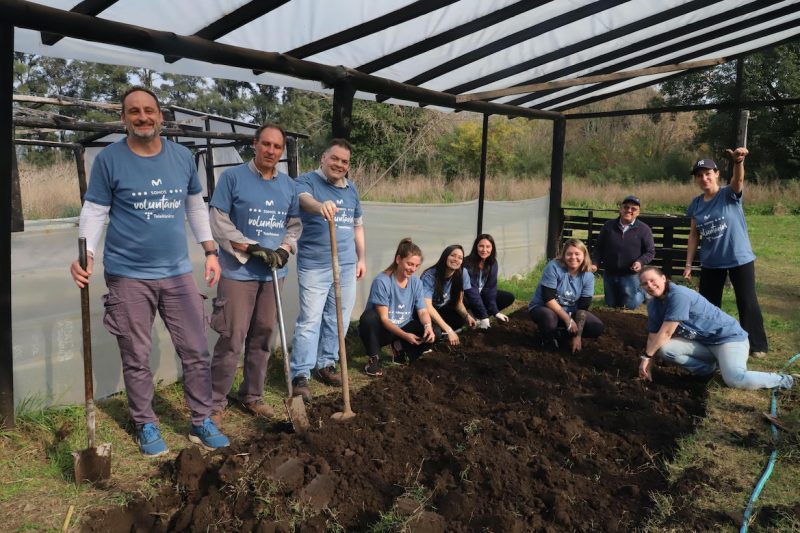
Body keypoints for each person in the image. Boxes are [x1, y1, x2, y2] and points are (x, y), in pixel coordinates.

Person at [69, 86, 229, 456]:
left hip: (176, 273)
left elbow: (193, 205)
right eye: (134, 111)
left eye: (149, 110)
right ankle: (145, 423)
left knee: (195, 348)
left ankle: (201, 419)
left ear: (160, 116)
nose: (142, 117)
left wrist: (209, 250)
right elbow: (95, 211)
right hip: (127, 275)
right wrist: (87, 253)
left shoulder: (182, 157)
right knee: (136, 354)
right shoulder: (109, 159)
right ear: (124, 118)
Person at [208, 124, 301, 426]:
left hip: (274, 273)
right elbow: (218, 220)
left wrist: (285, 248)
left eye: (277, 146)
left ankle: (252, 396)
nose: (271, 151)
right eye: (266, 144)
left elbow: (294, 225)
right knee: (232, 337)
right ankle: (215, 401)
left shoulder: (288, 186)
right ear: (255, 144)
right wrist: (250, 247)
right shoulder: (233, 177)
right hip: (239, 272)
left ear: (281, 151)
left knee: (263, 335)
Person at [289, 139, 366, 401]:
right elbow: (303, 200)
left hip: (345, 265)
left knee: (338, 318)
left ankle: (326, 363)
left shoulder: (351, 189)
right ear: (324, 158)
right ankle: (300, 374)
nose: (339, 165)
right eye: (335, 159)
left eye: (344, 161)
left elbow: (357, 226)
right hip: (315, 265)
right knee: (310, 320)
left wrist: (361, 258)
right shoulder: (307, 181)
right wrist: (319, 206)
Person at [638, 267, 794, 389]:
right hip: (704, 344)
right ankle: (707, 370)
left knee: (735, 380)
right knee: (666, 349)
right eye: (645, 283)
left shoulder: (679, 295)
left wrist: (645, 358)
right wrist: (648, 367)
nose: (650, 286)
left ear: (664, 278)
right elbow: (654, 336)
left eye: (652, 280)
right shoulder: (654, 305)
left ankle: (786, 380)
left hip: (728, 340)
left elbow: (666, 332)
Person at [683, 148, 768, 358]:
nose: (704, 178)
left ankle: (757, 345)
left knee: (747, 301)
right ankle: (713, 340)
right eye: (699, 175)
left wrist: (738, 162)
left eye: (708, 174)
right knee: (708, 305)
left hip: (739, 258)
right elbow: (694, 236)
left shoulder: (728, 194)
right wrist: (688, 264)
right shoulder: (695, 204)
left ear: (716, 174)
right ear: (696, 180)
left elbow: (738, 181)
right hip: (711, 262)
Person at [358, 238, 436, 377]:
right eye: (410, 264)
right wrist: (406, 336)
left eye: (416, 266)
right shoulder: (382, 281)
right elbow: (384, 319)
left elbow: (423, 311)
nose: (413, 269)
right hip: (384, 330)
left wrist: (427, 326)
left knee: (435, 331)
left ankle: (401, 349)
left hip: (403, 325)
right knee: (369, 318)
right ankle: (373, 359)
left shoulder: (416, 282)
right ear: (398, 259)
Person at [528, 238, 604, 353]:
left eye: (577, 254)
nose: (573, 257)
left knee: (596, 327)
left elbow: (583, 307)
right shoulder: (553, 267)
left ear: (584, 255)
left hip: (570, 312)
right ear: (563, 255)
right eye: (569, 254)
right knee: (549, 319)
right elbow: (548, 298)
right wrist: (568, 320)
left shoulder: (588, 276)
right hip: (545, 308)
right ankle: (546, 339)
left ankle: (559, 336)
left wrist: (577, 336)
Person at [590, 195, 654, 309]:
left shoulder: (644, 229)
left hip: (630, 274)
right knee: (611, 304)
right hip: (610, 273)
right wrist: (595, 263)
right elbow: (598, 247)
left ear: (638, 212)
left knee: (629, 305)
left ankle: (644, 293)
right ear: (621, 209)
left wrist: (640, 262)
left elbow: (650, 252)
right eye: (626, 207)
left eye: (633, 209)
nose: (629, 210)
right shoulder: (608, 226)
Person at [421, 244, 477, 346]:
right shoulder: (430, 276)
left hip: (443, 309)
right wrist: (449, 330)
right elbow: (427, 307)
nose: (456, 259)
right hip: (425, 313)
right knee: (435, 334)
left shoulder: (462, 273)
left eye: (460, 258)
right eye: (453, 255)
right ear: (445, 256)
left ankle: (443, 333)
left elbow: (458, 302)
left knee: (466, 318)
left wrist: (466, 316)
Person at [463, 234, 515, 328]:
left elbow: (490, 289)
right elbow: (471, 291)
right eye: (481, 246)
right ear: (476, 247)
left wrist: (496, 312)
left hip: (479, 295)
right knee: (467, 300)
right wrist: (484, 316)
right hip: (466, 297)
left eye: (488, 246)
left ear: (492, 248)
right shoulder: (467, 263)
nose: (484, 250)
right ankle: (474, 316)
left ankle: (479, 317)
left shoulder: (492, 263)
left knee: (508, 297)